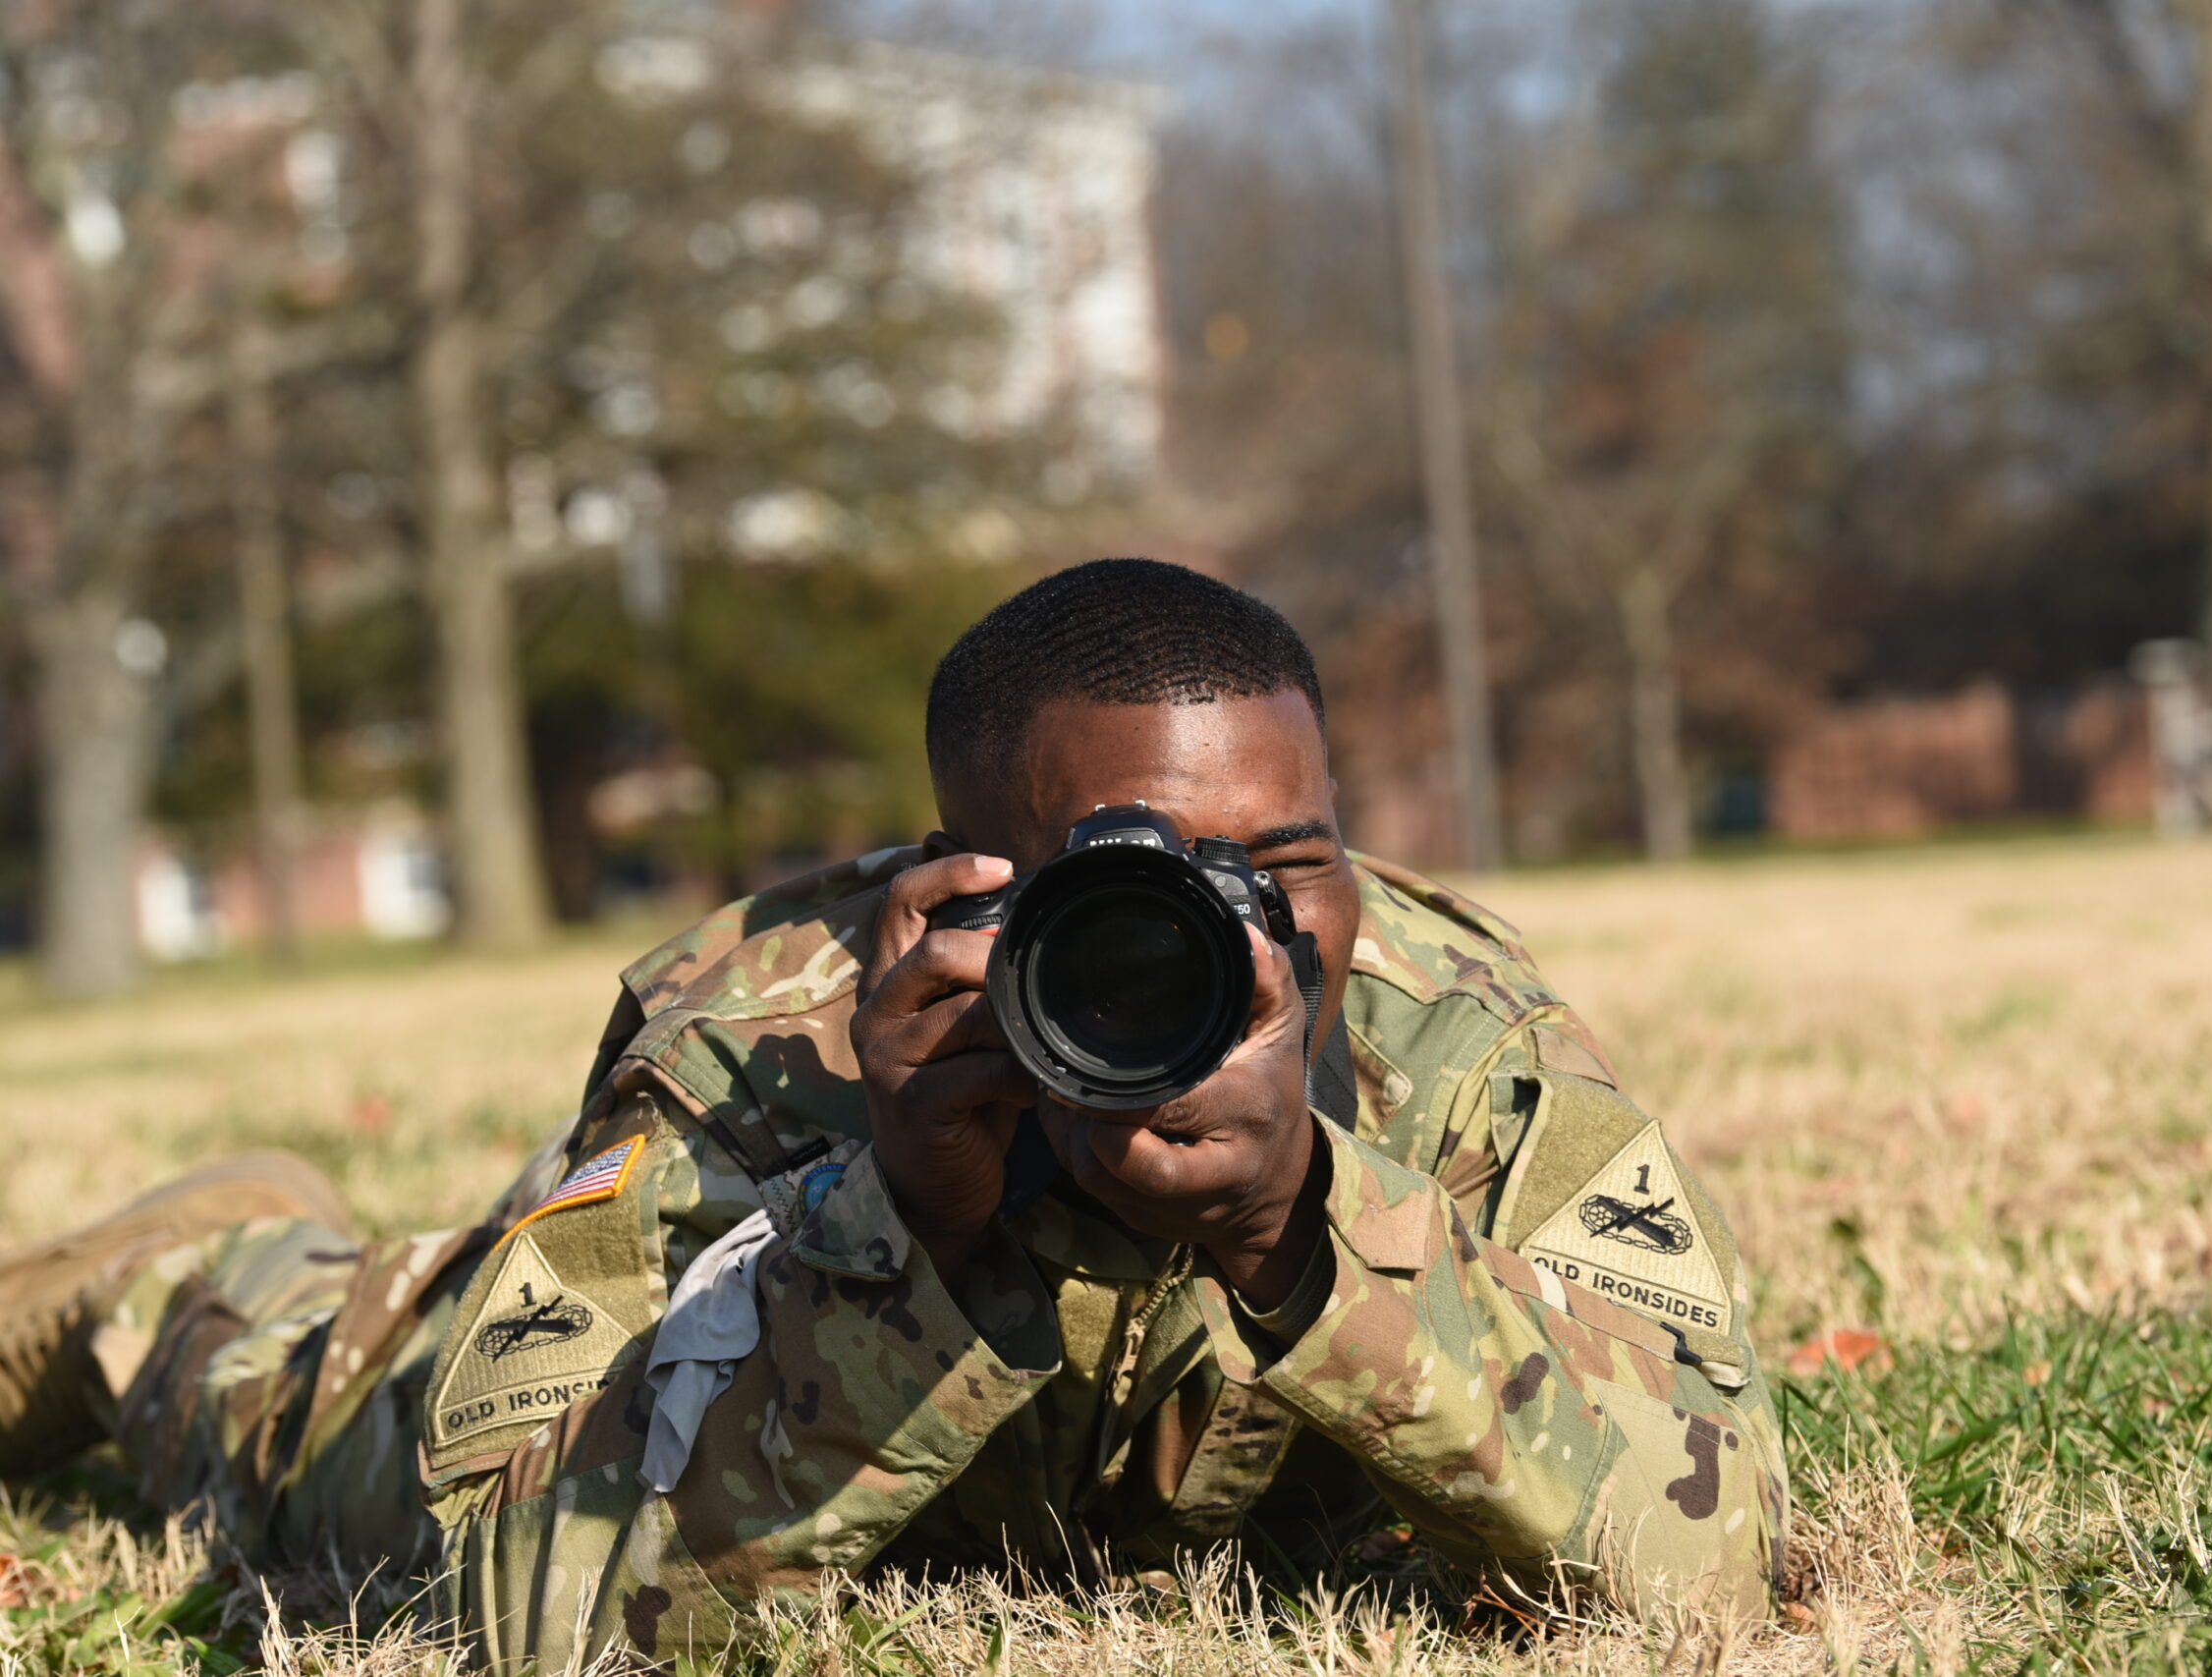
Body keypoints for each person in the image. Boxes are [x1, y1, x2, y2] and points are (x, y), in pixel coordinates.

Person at [0, 560, 1786, 1667]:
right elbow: (507, 1605)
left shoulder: (1440, 1029)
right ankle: (188, 1271)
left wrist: (1296, 1227)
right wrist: (902, 1233)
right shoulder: (768, 1048)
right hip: (519, 1380)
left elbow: (1719, 1556)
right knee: (303, 1443)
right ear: (963, 879)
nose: (1243, 934)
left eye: (1288, 863)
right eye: (1136, 882)